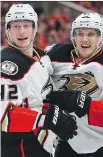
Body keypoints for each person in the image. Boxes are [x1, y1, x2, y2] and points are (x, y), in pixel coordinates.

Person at [1, 3, 78, 157]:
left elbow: (42, 94)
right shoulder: (7, 65)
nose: (22, 31)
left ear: (35, 28)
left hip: (44, 144)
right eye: (16, 26)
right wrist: (46, 119)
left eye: (26, 25)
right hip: (20, 147)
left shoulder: (42, 57)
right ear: (8, 30)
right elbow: (4, 117)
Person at [44, 13, 103, 157]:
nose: (84, 39)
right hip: (66, 139)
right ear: (73, 36)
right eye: (80, 33)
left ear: (100, 38)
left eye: (91, 34)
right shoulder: (55, 54)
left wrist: (87, 106)